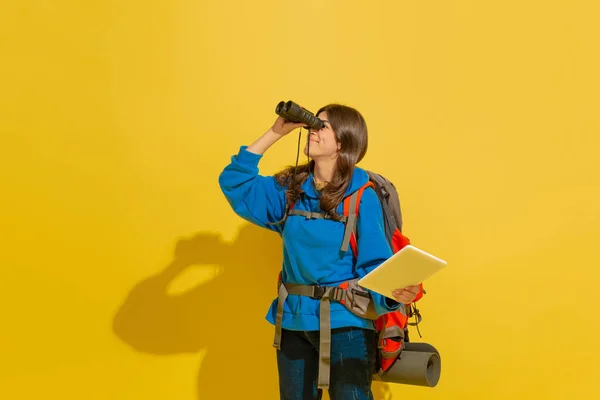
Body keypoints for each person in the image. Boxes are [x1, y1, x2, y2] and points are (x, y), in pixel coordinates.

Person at [218, 103, 421, 400]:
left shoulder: (362, 196)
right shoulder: (291, 191)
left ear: (343, 141)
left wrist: (393, 294)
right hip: (294, 320)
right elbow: (234, 183)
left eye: (322, 125)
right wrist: (276, 132)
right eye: (313, 123)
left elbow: (375, 264)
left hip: (346, 323)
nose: (313, 129)